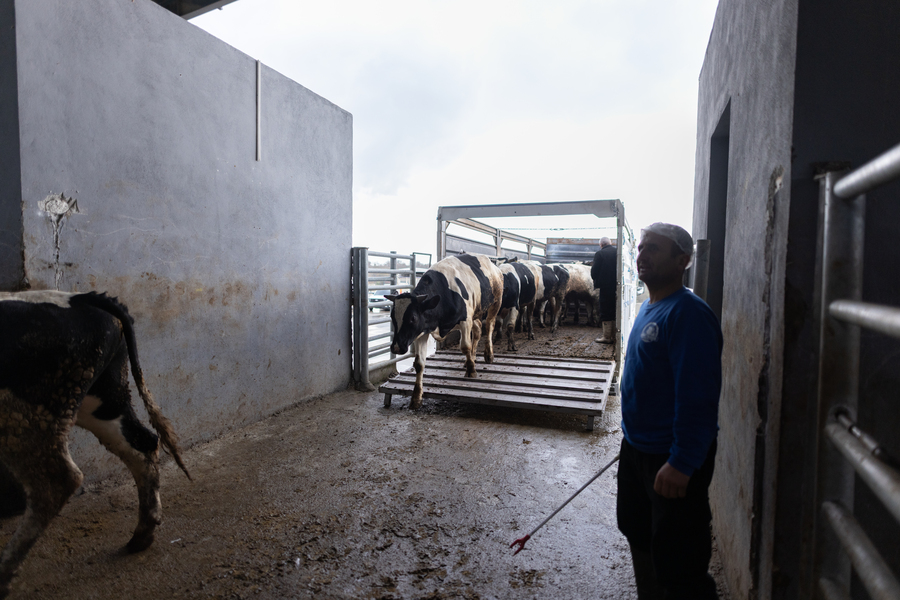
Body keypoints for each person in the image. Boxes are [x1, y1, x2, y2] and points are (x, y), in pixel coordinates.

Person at [616, 223, 722, 600]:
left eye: (654, 249)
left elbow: (698, 395)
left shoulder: (688, 314)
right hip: (637, 448)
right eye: (641, 248)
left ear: (683, 261)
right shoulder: (650, 307)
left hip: (669, 457)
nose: (642, 255)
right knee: (638, 531)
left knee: (680, 560)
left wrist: (683, 461)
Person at [591, 236, 618, 343]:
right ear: (610, 243)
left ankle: (607, 337)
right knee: (615, 309)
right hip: (617, 286)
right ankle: (615, 336)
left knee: (605, 310)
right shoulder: (618, 252)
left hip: (605, 287)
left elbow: (594, 271)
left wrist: (596, 279)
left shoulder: (600, 254)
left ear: (601, 244)